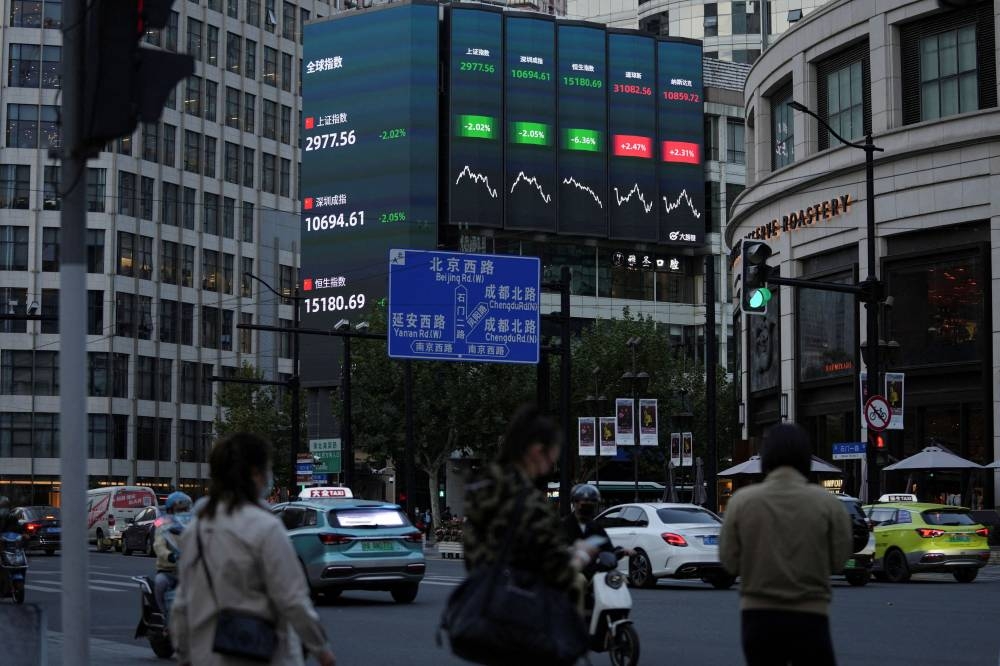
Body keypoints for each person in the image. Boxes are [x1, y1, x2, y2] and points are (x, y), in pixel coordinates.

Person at [170, 433, 336, 666]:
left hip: (205, 656)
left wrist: (184, 654)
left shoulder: (196, 529)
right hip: (259, 654)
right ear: (256, 474)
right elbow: (293, 600)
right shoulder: (265, 527)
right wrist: (321, 649)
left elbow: (181, 604)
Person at [719, 423, 852, 666]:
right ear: (806, 457)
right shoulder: (828, 504)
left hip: (758, 615)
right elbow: (839, 560)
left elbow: (729, 561)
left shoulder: (742, 501)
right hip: (811, 615)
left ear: (766, 456)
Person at [464, 404, 597, 610]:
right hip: (522, 616)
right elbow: (558, 571)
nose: (554, 460)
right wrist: (581, 555)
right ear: (536, 451)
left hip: (480, 608)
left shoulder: (481, 490)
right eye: (554, 452)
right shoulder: (530, 503)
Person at [560, 484, 633, 580]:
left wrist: (622, 551)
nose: (588, 506)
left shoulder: (596, 527)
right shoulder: (563, 526)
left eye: (592, 503)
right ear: (575, 503)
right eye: (585, 502)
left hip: (594, 574)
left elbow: (607, 548)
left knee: (619, 580)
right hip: (570, 575)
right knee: (580, 580)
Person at [153, 491, 192, 622]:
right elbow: (159, 545)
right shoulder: (162, 524)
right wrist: (170, 556)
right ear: (170, 510)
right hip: (168, 570)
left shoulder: (193, 525)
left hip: (190, 570)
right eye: (179, 509)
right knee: (159, 584)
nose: (183, 512)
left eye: (185, 509)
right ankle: (165, 616)